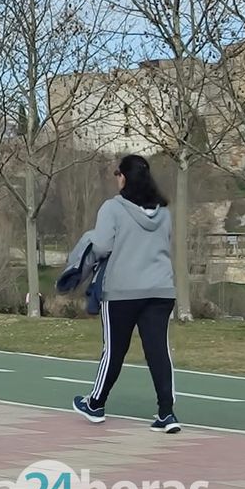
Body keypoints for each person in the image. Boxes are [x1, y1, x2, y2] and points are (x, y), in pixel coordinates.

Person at [73, 154, 181, 434]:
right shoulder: (164, 212)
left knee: (114, 350)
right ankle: (167, 413)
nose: (116, 179)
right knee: (158, 351)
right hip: (160, 290)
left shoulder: (112, 208)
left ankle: (95, 403)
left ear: (124, 177)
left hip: (122, 290)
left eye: (117, 174)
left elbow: (101, 246)